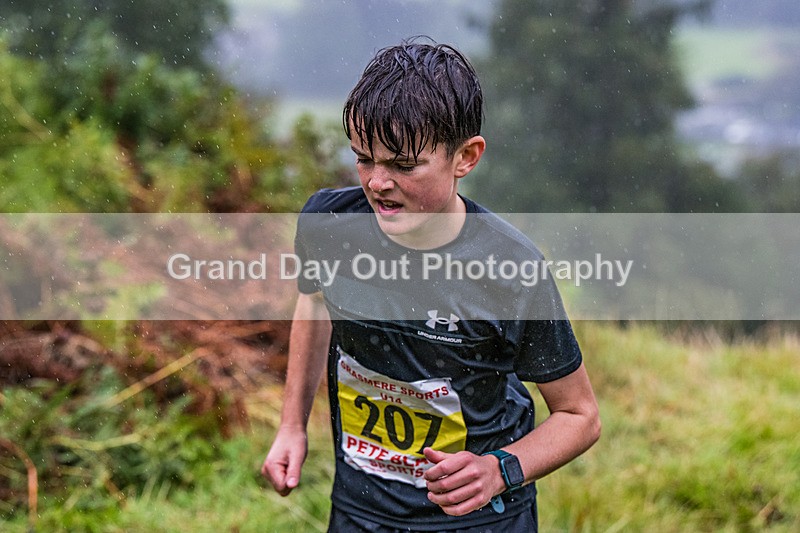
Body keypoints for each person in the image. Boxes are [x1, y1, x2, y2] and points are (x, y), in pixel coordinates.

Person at [262, 38, 600, 532]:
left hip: (477, 520)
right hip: (361, 510)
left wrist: (499, 470)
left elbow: (580, 416)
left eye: (403, 165)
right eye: (363, 158)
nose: (377, 183)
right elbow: (313, 306)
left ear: (466, 156)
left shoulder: (510, 269)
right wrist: (292, 425)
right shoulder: (329, 224)